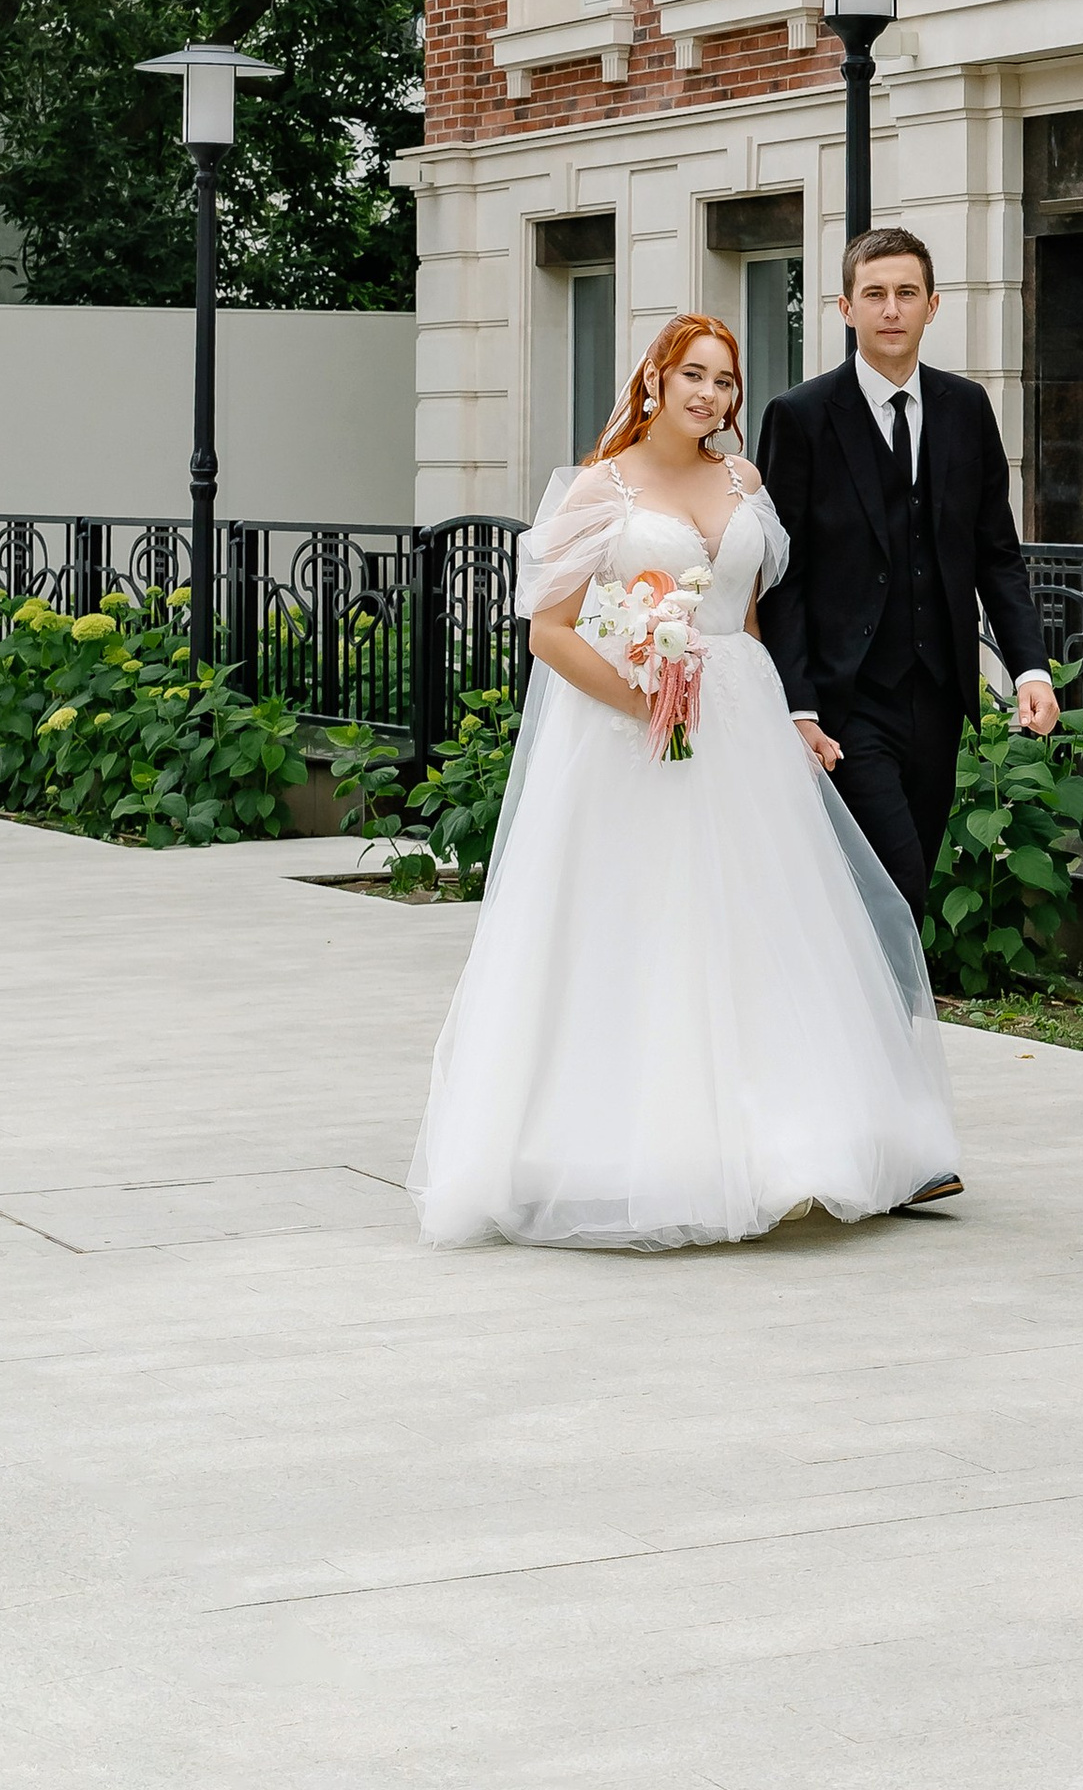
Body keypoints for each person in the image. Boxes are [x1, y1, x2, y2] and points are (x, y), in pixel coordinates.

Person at [408, 313, 961, 1249]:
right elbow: (550, 633)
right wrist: (644, 700)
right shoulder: (600, 488)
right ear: (653, 381)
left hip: (738, 722)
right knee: (650, 929)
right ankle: (642, 1147)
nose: (711, 395)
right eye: (693, 375)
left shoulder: (744, 480)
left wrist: (790, 722)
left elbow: (744, 623)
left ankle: (793, 1142)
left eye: (726, 381)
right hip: (634, 737)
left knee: (762, 926)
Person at [754, 228, 1059, 916]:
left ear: (932, 305)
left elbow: (996, 554)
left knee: (904, 875)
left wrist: (1030, 669)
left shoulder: (967, 408)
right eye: (875, 293)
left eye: (906, 293)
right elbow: (782, 575)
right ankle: (888, 1021)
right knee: (896, 882)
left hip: (938, 694)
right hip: (846, 697)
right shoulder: (800, 418)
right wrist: (797, 702)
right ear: (845, 307)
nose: (891, 308)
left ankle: (868, 1021)